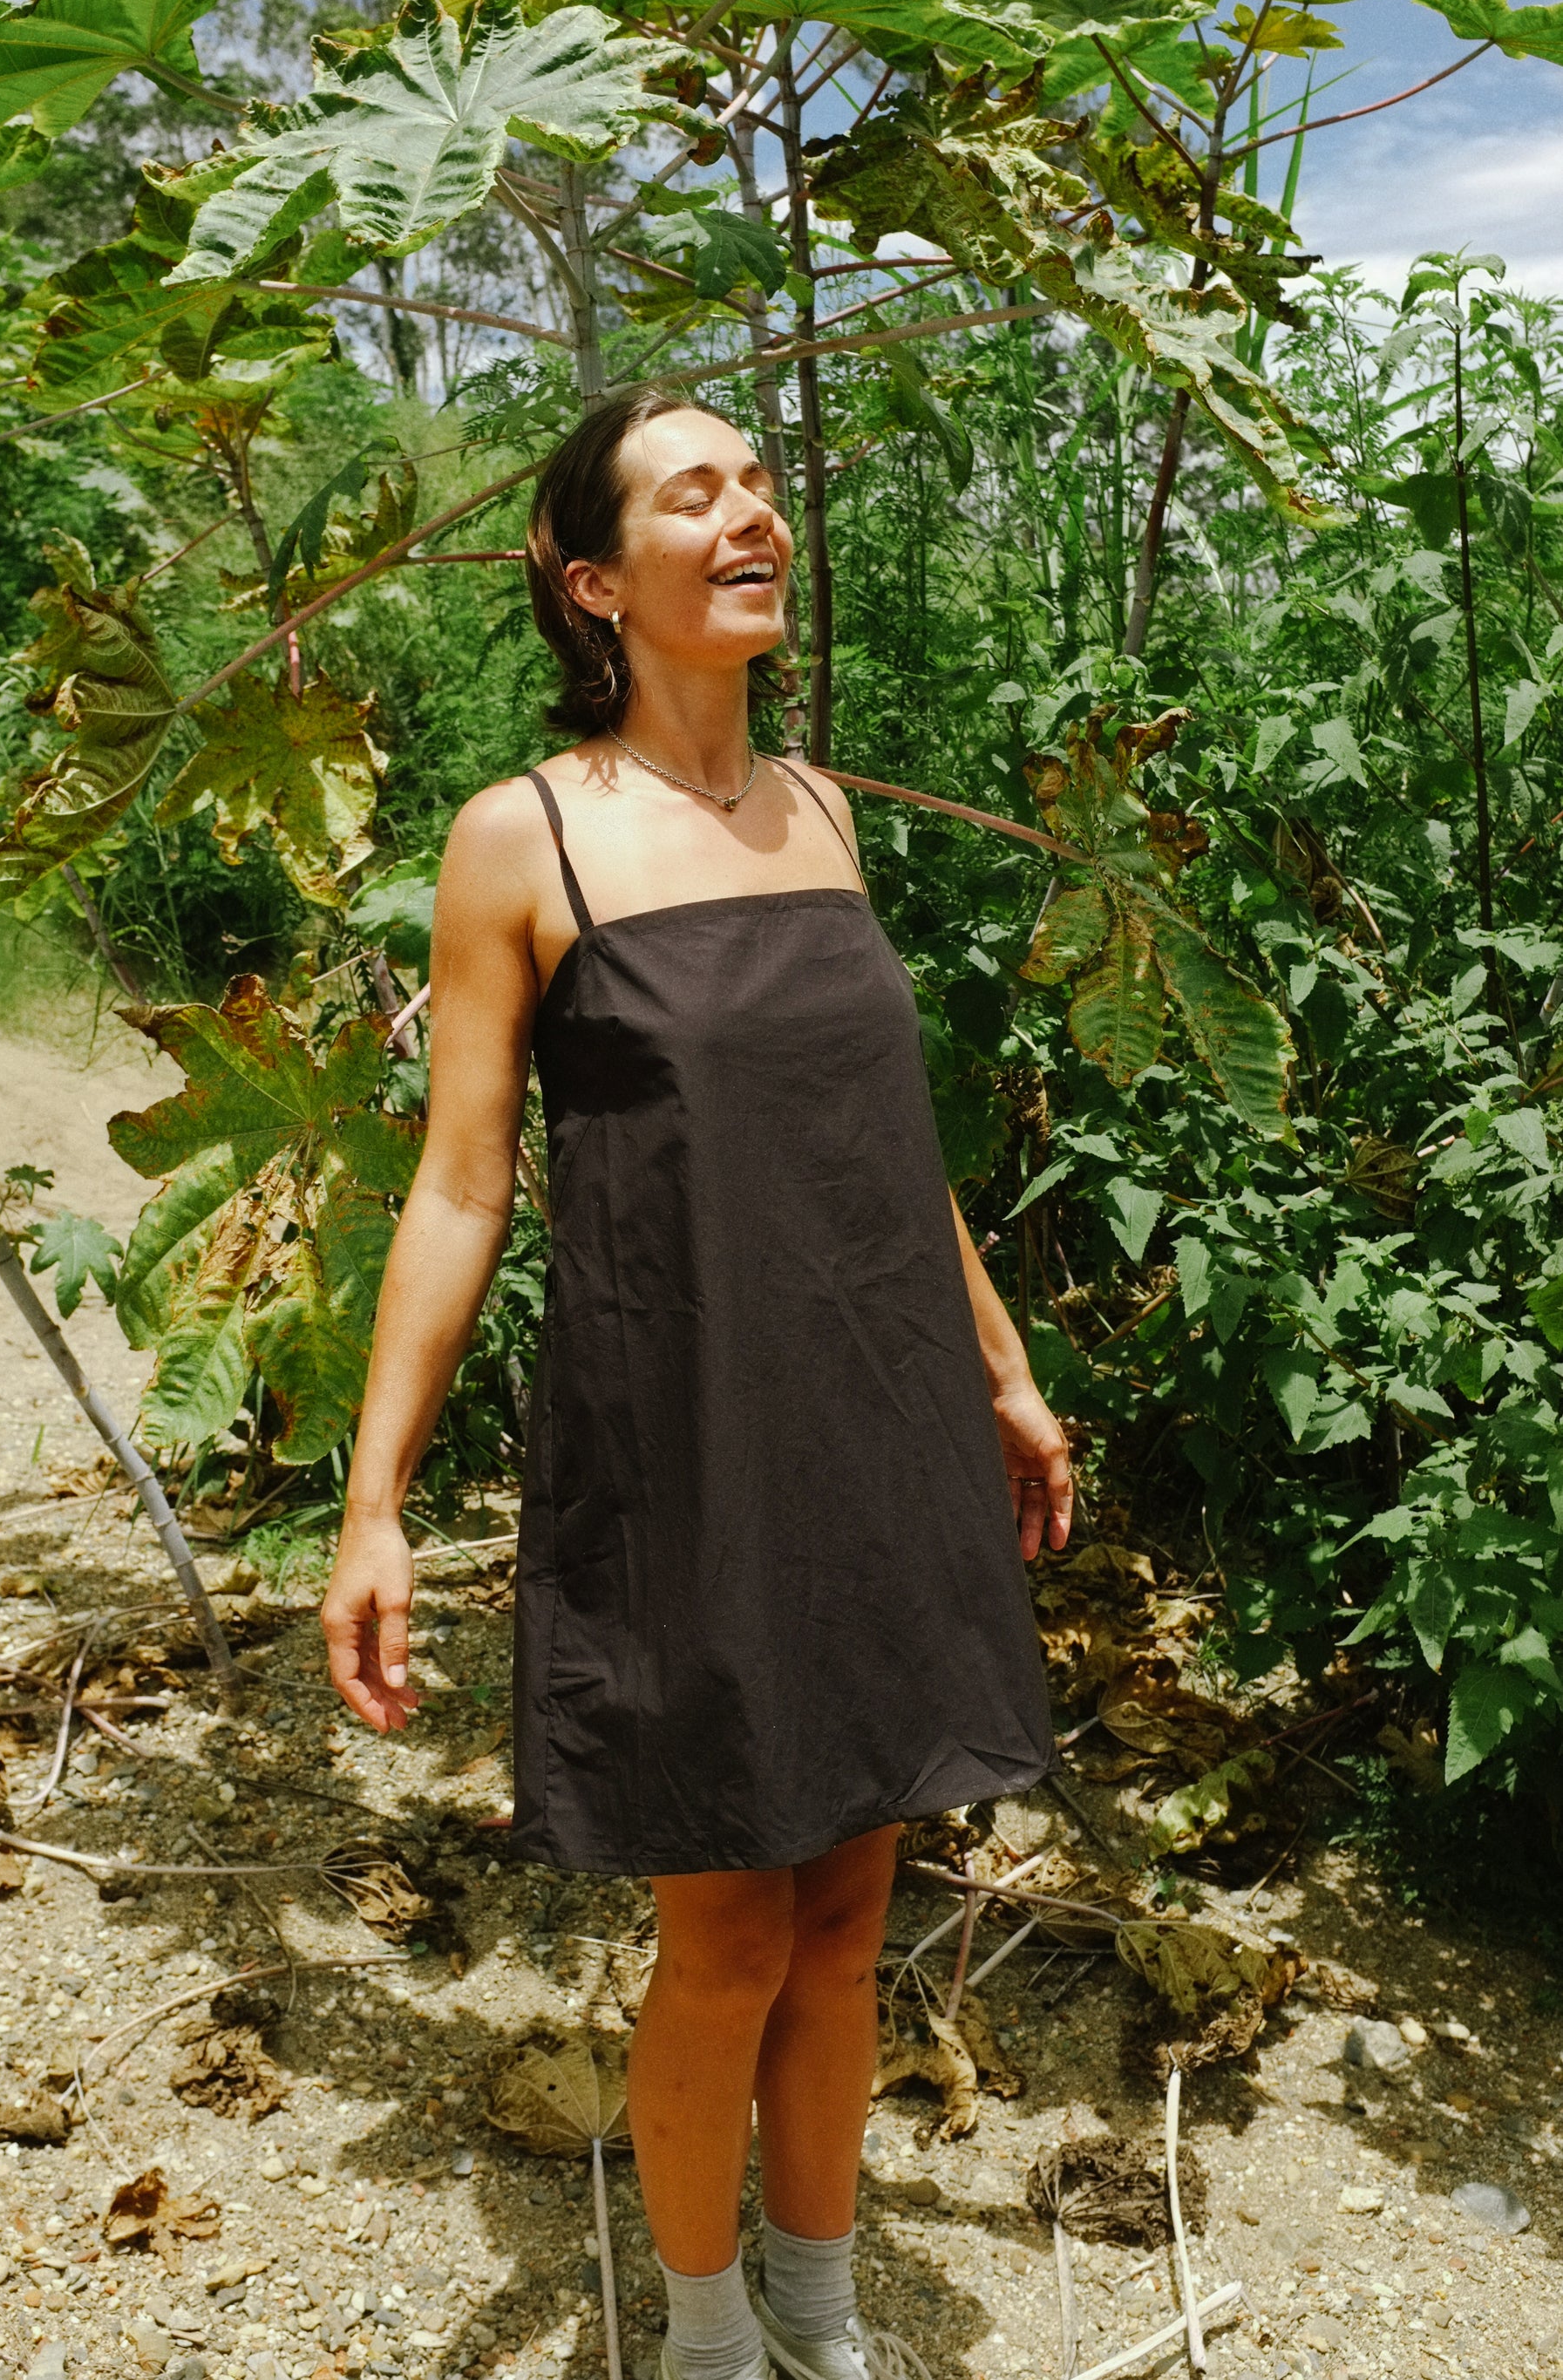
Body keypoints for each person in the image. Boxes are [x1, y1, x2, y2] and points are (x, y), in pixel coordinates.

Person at [322, 391, 1073, 2380]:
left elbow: (882, 1143)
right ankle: (708, 2335)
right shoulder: (527, 834)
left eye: (757, 482)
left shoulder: (818, 811)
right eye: (693, 494)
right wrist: (375, 1504)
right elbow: (459, 1184)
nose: (751, 514)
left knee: (850, 1917)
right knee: (728, 1936)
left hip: (877, 1417)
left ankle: (820, 2311)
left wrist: (1000, 1369)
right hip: (681, 1448)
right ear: (593, 580)